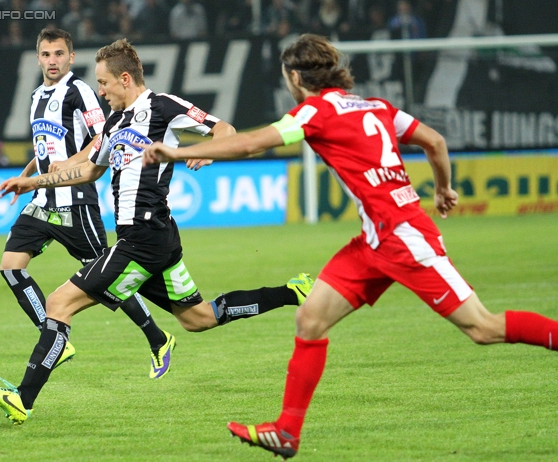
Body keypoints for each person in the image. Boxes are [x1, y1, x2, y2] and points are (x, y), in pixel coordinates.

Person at [139, 34, 558, 460]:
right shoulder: (377, 107)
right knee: (310, 319)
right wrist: (443, 189)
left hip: (404, 238)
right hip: (374, 242)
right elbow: (434, 141)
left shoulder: (315, 111)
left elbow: (251, 143)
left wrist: (175, 151)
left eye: (288, 77)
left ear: (296, 77)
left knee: (482, 328)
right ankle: (286, 432)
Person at [0, 37, 313, 425]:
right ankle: (293, 292)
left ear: (125, 78)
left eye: (103, 84)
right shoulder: (115, 122)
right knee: (198, 318)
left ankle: (23, 398)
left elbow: (223, 128)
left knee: (58, 304)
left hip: (142, 238)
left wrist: (208, 150)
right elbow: (90, 170)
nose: (100, 92)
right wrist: (33, 183)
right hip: (156, 238)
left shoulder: (162, 106)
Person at [0, 28, 174, 383]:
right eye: (46, 55)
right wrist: (26, 177)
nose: (52, 61)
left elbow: (101, 137)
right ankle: (54, 338)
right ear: (38, 58)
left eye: (59, 54)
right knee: (11, 267)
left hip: (76, 204)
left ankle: (158, 337)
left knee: (107, 278)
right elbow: (44, 148)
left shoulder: (79, 92)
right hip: (42, 200)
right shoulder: (35, 97)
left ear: (70, 57)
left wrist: (70, 163)